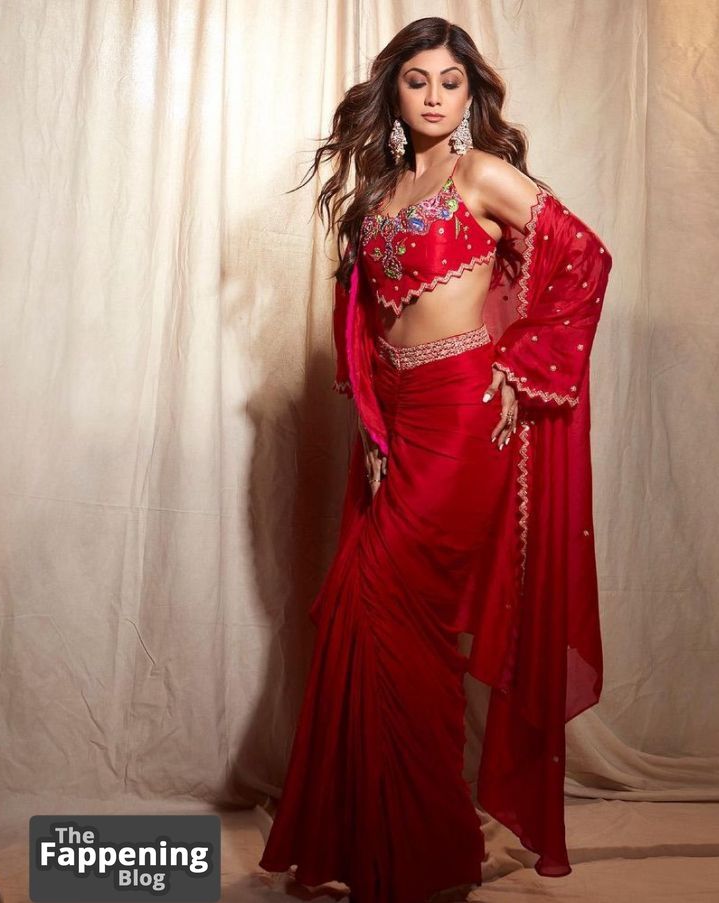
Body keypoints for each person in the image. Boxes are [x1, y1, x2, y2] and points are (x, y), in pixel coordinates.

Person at [258, 16, 613, 903]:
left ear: (469, 95)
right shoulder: (381, 191)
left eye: (450, 83)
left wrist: (521, 365)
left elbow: (586, 259)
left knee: (387, 603)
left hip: (463, 416)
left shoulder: (479, 174)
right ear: (394, 91)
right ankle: (382, 842)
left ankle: (427, 847)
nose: (433, 97)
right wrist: (373, 429)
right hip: (400, 420)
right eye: (417, 80)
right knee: (367, 616)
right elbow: (368, 326)